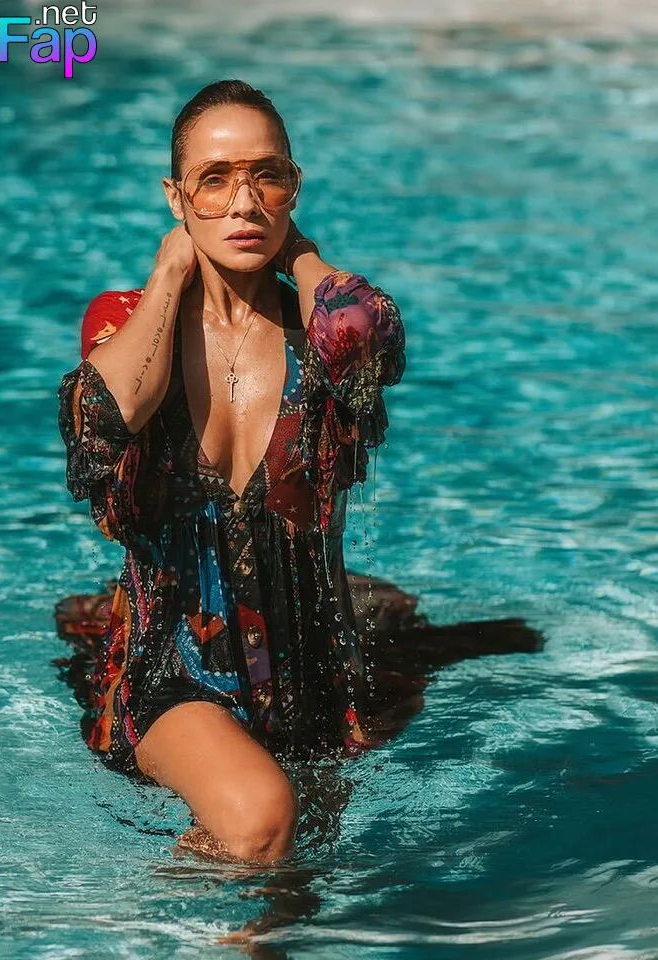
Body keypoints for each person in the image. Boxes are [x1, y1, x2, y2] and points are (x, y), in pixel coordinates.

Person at [56, 78, 409, 865]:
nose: (244, 202)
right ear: (175, 195)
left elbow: (365, 335)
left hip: (315, 678)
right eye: (213, 180)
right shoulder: (127, 319)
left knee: (291, 883)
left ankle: (179, 919)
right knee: (259, 818)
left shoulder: (318, 330)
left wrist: (301, 253)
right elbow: (110, 413)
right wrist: (169, 271)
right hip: (174, 675)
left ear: (294, 188)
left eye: (267, 176)